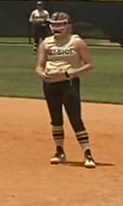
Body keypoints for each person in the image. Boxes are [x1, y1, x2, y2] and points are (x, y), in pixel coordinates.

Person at [36, 12, 97, 168]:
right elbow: (40, 65)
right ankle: (59, 151)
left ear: (68, 26)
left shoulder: (76, 42)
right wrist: (41, 73)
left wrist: (73, 73)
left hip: (68, 83)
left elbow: (89, 65)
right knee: (55, 119)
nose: (56, 28)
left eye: (60, 24)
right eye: (54, 24)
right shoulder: (46, 43)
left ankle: (87, 153)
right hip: (50, 84)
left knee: (75, 118)